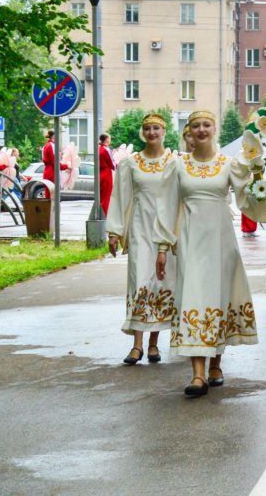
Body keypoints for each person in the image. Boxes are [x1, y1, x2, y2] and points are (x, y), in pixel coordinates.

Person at [154, 110, 266, 397]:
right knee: (193, 297)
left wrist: (257, 171)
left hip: (221, 242)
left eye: (206, 124)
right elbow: (167, 207)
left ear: (214, 128)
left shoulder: (228, 165)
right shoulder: (177, 167)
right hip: (191, 242)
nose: (201, 129)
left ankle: (216, 363)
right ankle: (197, 375)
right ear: (189, 132)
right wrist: (162, 247)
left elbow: (247, 198)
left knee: (220, 297)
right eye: (196, 126)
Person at [107, 114, 177, 365]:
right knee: (139, 282)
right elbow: (120, 196)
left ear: (164, 131)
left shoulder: (173, 162)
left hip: (165, 231)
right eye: (147, 128)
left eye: (156, 128)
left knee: (159, 283)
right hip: (139, 229)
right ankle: (136, 345)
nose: (151, 132)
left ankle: (154, 344)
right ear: (142, 132)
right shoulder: (131, 163)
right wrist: (115, 231)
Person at [42, 129, 69, 199]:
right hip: (52, 172)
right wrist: (66, 166)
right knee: (53, 194)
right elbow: (55, 162)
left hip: (47, 171)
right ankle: (53, 209)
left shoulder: (45, 146)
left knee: (48, 193)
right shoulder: (52, 146)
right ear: (53, 136)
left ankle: (50, 209)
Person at [98, 133, 115, 215]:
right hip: (106, 173)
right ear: (107, 139)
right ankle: (105, 214)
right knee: (106, 195)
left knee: (101, 196)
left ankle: (100, 213)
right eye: (109, 138)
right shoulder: (106, 149)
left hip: (99, 173)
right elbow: (112, 163)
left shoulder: (98, 148)